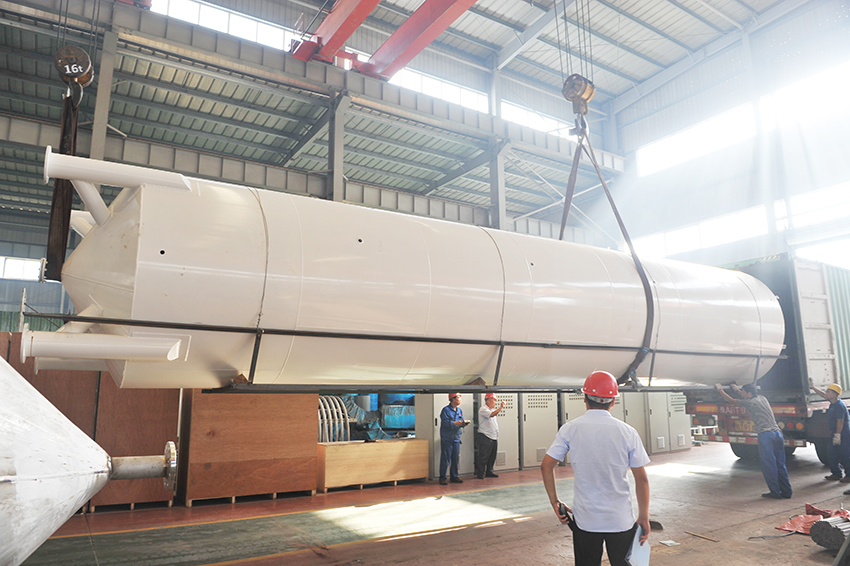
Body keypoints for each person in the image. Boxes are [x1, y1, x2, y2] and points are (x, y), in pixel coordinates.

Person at [541, 371, 651, 566]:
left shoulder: (570, 429)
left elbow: (546, 465)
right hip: (620, 520)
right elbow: (642, 479)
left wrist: (555, 501)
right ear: (613, 401)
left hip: (586, 521)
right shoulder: (627, 432)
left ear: (585, 398)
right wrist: (643, 517)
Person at [715, 382, 792, 499]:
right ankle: (787, 492)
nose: (742, 394)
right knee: (780, 464)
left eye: (743, 392)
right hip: (777, 434)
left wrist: (720, 389)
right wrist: (736, 389)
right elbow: (745, 395)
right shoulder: (763, 398)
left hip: (766, 435)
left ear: (749, 393)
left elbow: (731, 400)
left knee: (769, 465)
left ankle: (775, 492)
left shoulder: (749, 403)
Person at [809, 380, 850, 482]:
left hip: (842, 433)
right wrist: (813, 388)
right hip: (835, 433)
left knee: (845, 455)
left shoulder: (839, 405)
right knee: (831, 454)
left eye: (828, 392)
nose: (826, 393)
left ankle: (849, 475)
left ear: (835, 394)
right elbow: (823, 395)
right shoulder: (833, 402)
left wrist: (838, 435)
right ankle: (836, 474)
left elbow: (840, 421)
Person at [439, 392, 469, 485]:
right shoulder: (446, 410)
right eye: (458, 398)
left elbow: (460, 421)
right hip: (447, 438)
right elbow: (445, 423)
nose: (460, 400)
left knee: (455, 458)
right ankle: (442, 478)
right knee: (445, 459)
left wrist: (463, 423)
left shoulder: (459, 410)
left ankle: (454, 476)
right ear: (453, 399)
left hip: (456, 438)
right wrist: (456, 423)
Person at [476, 392, 506, 479]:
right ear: (488, 401)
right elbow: (492, 415)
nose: (495, 403)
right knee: (484, 456)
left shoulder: (492, 410)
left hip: (493, 436)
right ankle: (480, 473)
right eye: (494, 400)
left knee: (492, 456)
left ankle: (489, 471)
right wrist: (501, 407)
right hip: (485, 436)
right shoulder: (483, 409)